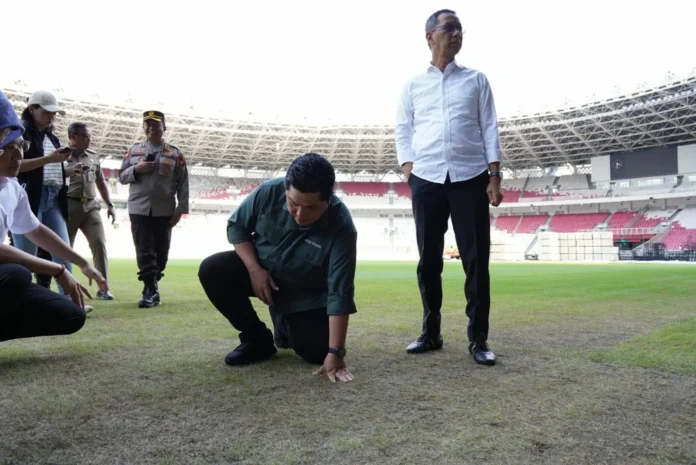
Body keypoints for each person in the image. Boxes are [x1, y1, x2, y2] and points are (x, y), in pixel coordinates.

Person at [395, 9, 504, 365]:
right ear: (430, 36)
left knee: (476, 262)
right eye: (449, 28)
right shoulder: (413, 84)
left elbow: (489, 126)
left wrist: (494, 173)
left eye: (459, 29)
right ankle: (431, 333)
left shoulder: (476, 80)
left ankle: (479, 340)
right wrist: (408, 167)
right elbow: (403, 129)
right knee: (428, 261)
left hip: (470, 177)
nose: (456, 33)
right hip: (426, 178)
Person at [198, 153, 356, 383]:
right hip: (259, 272)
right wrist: (254, 270)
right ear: (286, 189)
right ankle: (256, 339)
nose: (300, 215)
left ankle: (286, 321)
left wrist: (335, 352)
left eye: (311, 207)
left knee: (316, 352)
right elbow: (237, 227)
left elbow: (340, 291)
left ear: (328, 199)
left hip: (304, 295)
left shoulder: (342, 227)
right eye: (293, 203)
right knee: (213, 269)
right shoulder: (268, 191)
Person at [0, 90, 108, 344]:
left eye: (21, 146)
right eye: (8, 148)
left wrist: (83, 263)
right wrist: (57, 269)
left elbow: (35, 230)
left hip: (49, 199)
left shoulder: (11, 187)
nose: (18, 156)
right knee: (16, 274)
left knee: (70, 316)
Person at [118, 111, 189, 308]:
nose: (151, 128)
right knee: (145, 250)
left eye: (156, 124)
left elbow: (183, 184)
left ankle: (153, 283)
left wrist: (180, 210)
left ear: (164, 128)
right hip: (139, 208)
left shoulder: (175, 153)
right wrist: (136, 170)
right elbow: (121, 177)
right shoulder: (133, 151)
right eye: (147, 124)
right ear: (143, 128)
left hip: (164, 210)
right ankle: (149, 289)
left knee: (161, 253)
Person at [12, 90, 75, 296]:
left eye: (54, 113)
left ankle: (70, 300)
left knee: (63, 250)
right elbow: (14, 166)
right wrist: (49, 159)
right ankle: (20, 300)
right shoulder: (18, 135)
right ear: (32, 109)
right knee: (26, 256)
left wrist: (64, 168)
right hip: (28, 198)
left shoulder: (53, 138)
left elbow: (49, 169)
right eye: (47, 112)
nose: (52, 117)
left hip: (53, 197)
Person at [65, 122, 116, 300]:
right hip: (68, 206)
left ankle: (104, 288)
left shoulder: (93, 156)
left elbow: (101, 182)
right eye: (85, 136)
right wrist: (70, 170)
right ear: (73, 137)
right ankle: (66, 289)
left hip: (91, 207)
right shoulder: (60, 155)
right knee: (65, 248)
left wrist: (110, 205)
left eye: (89, 136)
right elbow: (53, 176)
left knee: (99, 244)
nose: (89, 139)